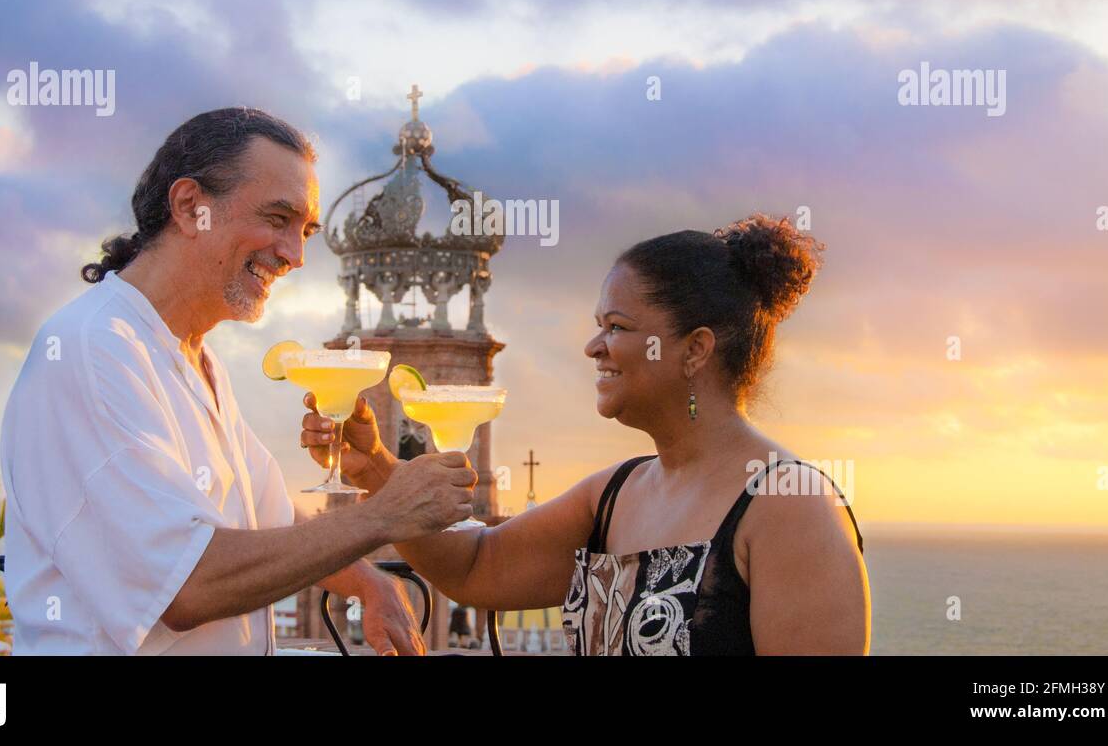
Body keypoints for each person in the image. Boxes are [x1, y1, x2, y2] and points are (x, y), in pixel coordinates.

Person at [0, 107, 476, 655]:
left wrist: (365, 581)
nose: (295, 255)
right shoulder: (92, 350)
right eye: (278, 219)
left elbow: (269, 515)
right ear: (189, 207)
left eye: (306, 231)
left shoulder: (194, 359)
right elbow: (185, 583)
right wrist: (384, 514)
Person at [302, 215, 870, 655]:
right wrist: (373, 465)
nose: (593, 347)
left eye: (616, 328)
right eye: (599, 326)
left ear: (695, 349)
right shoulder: (616, 494)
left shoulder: (788, 507)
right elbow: (477, 569)